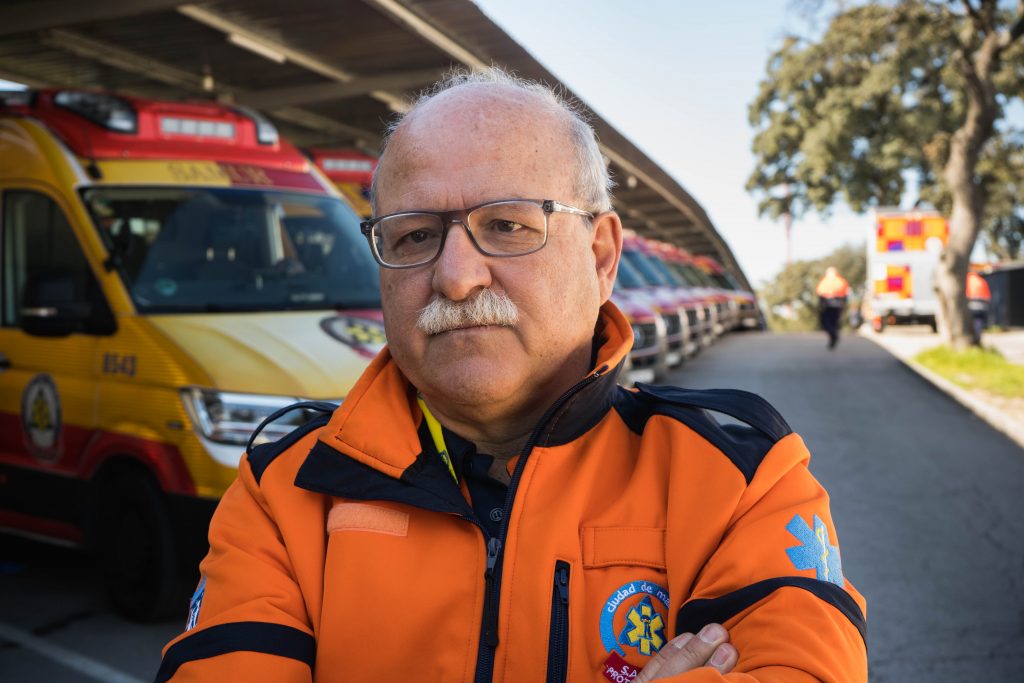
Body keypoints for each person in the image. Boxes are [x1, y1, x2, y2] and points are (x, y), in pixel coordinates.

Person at [156, 69, 867, 682]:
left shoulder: (739, 480)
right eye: (415, 235)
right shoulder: (285, 493)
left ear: (601, 257)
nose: (456, 277)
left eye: (506, 226)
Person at [816, 266, 850, 349]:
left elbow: (820, 293)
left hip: (828, 305)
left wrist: (820, 304)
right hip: (838, 305)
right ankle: (833, 336)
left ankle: (833, 335)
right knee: (834, 323)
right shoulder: (841, 281)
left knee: (826, 323)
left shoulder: (825, 281)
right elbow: (846, 294)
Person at [966, 270, 992, 345]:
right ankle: (977, 338)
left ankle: (974, 340)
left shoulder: (967, 280)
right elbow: (988, 295)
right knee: (979, 322)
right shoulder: (981, 281)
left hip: (971, 304)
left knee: (971, 323)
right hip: (983, 305)